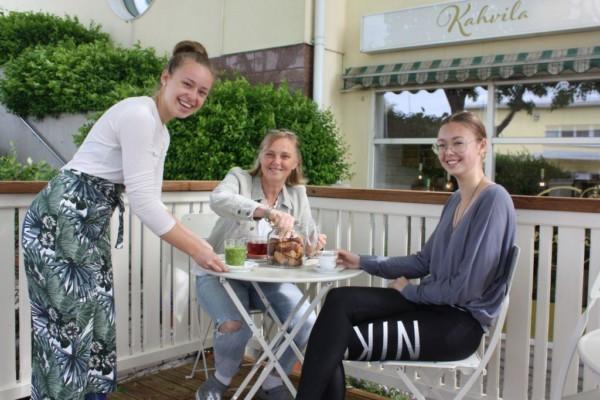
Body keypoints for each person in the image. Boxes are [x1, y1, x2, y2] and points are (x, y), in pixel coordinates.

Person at [21, 40, 226, 400]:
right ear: (166, 78)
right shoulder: (139, 116)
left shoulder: (160, 131)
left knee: (97, 329)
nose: (193, 96)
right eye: (187, 84)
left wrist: (197, 245)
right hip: (60, 223)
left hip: (87, 226)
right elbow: (145, 204)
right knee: (67, 338)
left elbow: (149, 198)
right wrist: (199, 248)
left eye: (202, 91)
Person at [295, 111, 517, 400]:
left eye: (458, 143)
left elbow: (466, 290)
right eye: (441, 144)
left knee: (332, 339)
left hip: (457, 326)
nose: (448, 152)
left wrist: (411, 292)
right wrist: (362, 261)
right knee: (339, 301)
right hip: (433, 308)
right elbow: (423, 262)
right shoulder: (455, 200)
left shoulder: (494, 200)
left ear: (482, 146)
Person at [194, 129, 326, 400]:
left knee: (307, 322)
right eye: (270, 154)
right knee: (234, 323)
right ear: (261, 157)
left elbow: (308, 235)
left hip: (270, 279)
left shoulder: (297, 194)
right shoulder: (239, 179)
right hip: (220, 275)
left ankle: (273, 379)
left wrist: (313, 244)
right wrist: (265, 212)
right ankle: (219, 382)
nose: (276, 161)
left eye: (285, 156)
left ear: (294, 163)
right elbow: (219, 199)